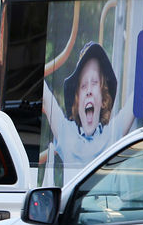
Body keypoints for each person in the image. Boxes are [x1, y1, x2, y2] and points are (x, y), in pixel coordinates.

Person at [43, 41, 135, 169]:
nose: (89, 91)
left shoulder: (113, 134)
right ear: (77, 101)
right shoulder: (66, 134)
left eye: (95, 83)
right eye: (83, 85)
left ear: (103, 99)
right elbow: (45, 96)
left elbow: (140, 90)